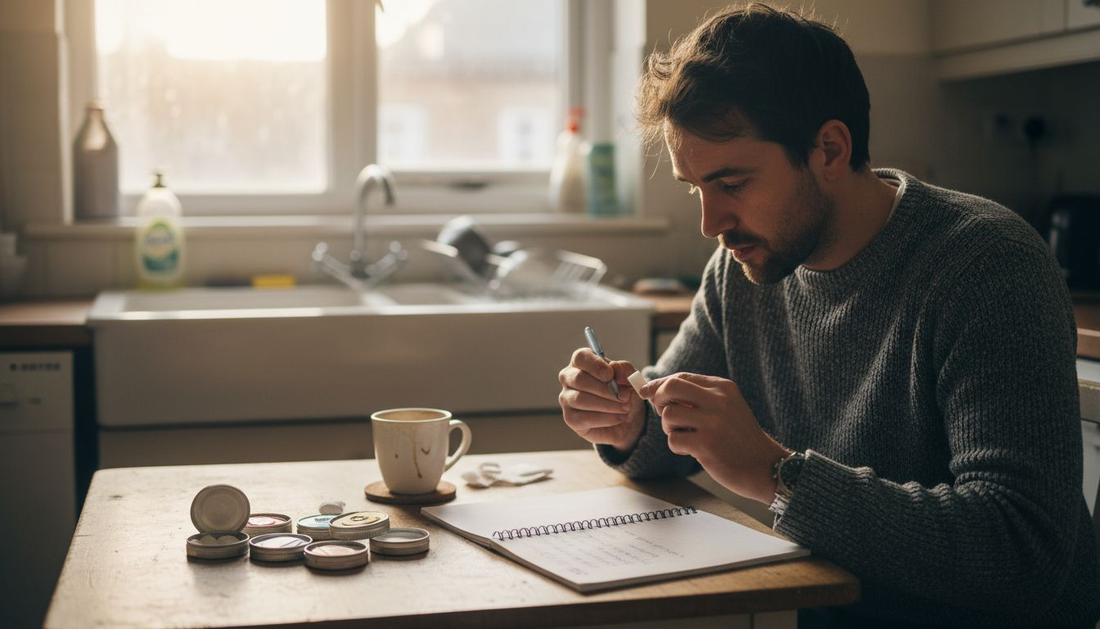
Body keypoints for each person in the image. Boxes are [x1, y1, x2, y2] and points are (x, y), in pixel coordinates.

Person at [557, 4, 1100, 627]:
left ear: (830, 149)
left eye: (732, 184)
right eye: (695, 188)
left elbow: (1022, 550)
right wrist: (626, 420)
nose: (711, 224)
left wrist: (775, 474)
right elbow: (673, 436)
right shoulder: (742, 269)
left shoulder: (985, 266)